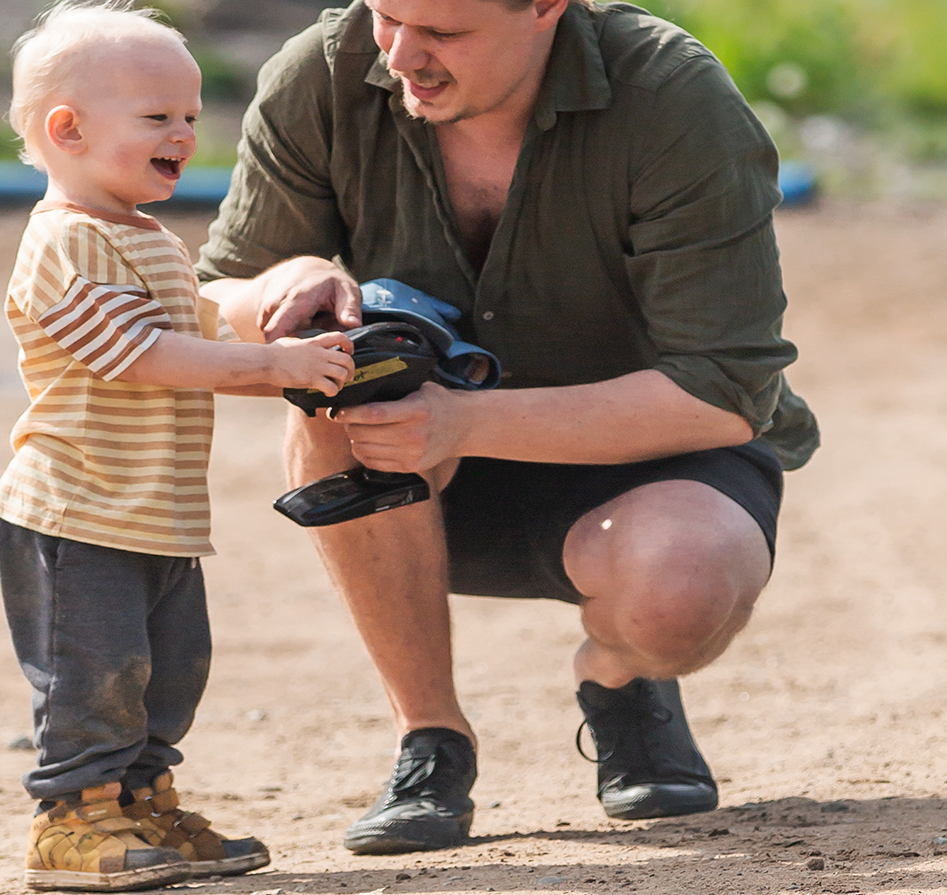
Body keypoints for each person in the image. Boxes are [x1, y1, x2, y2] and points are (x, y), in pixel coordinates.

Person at [195, 0, 819, 856]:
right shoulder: (322, 73)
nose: (403, 54)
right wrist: (276, 285)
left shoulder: (673, 95)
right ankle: (431, 741)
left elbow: (722, 388)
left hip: (643, 451)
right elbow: (210, 303)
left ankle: (620, 674)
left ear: (546, 9)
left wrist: (463, 420)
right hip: (413, 461)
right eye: (386, 16)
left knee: (683, 591)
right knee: (337, 401)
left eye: (443, 34)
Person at [0, 3, 354, 890]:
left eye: (191, 115)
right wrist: (270, 363)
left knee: (169, 667)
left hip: (154, 509)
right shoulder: (65, 242)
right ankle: (72, 819)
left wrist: (284, 346)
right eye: (157, 117)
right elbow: (142, 357)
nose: (186, 133)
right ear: (65, 129)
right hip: (78, 508)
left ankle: (141, 800)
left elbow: (195, 338)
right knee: (96, 673)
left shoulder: (145, 236)